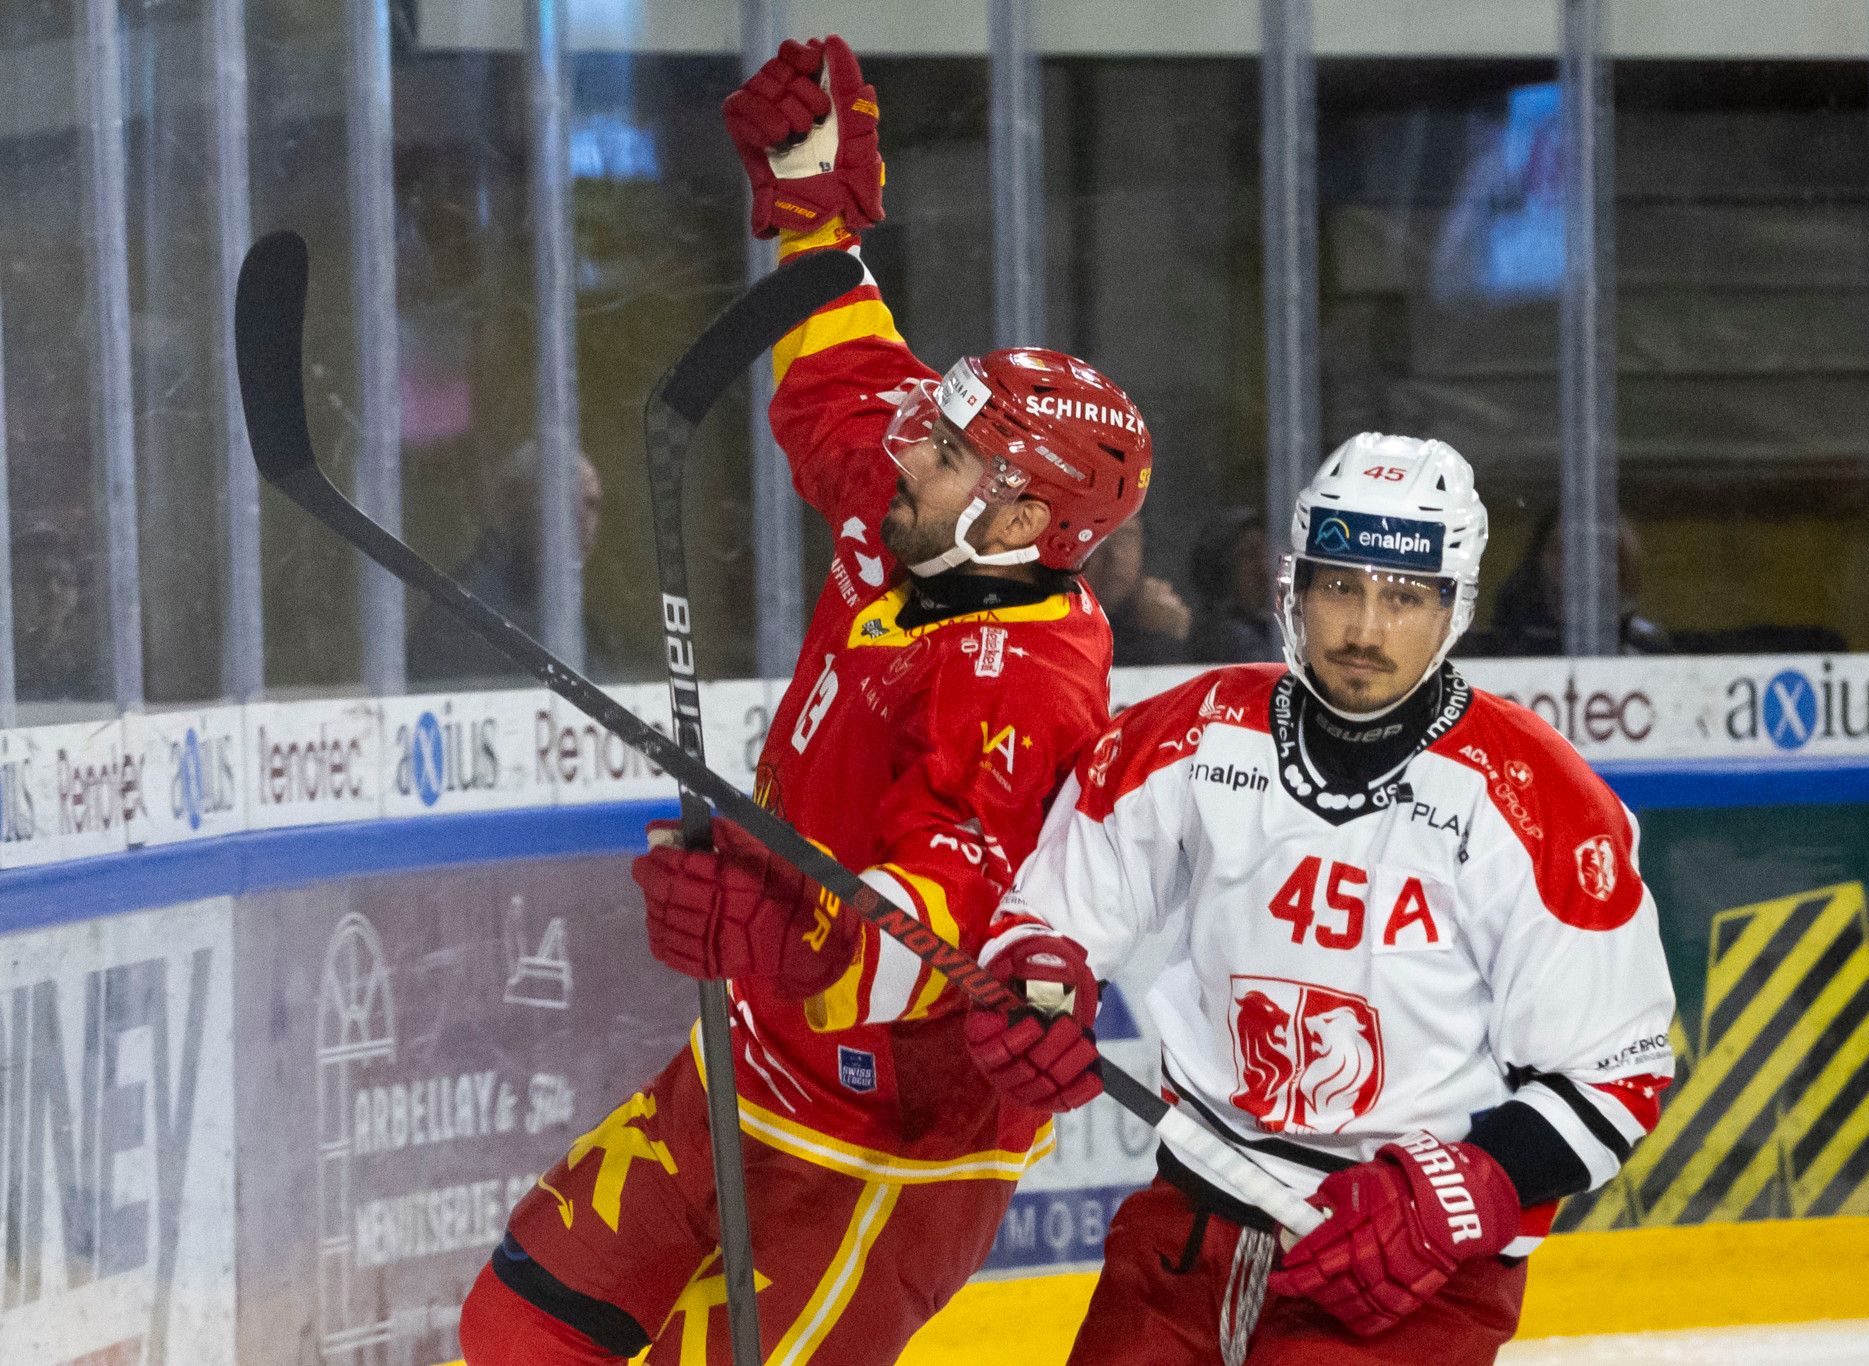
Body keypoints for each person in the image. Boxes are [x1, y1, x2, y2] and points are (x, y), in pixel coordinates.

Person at [459, 35, 1154, 1366]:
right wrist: (811, 204)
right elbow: (844, 375)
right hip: (748, 1061)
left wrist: (782, 929)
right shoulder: (916, 516)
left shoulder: (1028, 686)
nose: (906, 444)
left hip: (889, 1142)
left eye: (945, 449)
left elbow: (941, 918)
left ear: (1020, 514)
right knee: (519, 1330)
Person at [964, 432, 1675, 1364]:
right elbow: (1056, 913)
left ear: (1454, 607)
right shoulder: (1195, 732)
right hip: (1186, 1237)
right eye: (1341, 586)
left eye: (1404, 596)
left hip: (1406, 1272)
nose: (1365, 629)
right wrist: (1036, 990)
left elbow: (1617, 1073)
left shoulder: (1540, 802)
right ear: (1294, 588)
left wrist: (1464, 1188)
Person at [408, 439, 609, 684]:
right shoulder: (466, 612)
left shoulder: (574, 621)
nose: (583, 520)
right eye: (565, 501)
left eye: (591, 504)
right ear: (514, 504)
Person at [1459, 507, 1670, 657]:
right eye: (1560, 550)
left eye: (1595, 551)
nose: (1573, 563)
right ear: (1539, 558)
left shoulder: (1644, 645)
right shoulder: (1510, 642)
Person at [1087, 513, 1191, 665]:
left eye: (1126, 538)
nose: (1115, 555)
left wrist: (1166, 634)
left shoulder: (1154, 612)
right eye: (1098, 539)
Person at [1186, 505, 1284, 663]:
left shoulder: (1273, 627)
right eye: (1250, 555)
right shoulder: (1230, 638)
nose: (1264, 568)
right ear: (1221, 568)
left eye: (1266, 553)